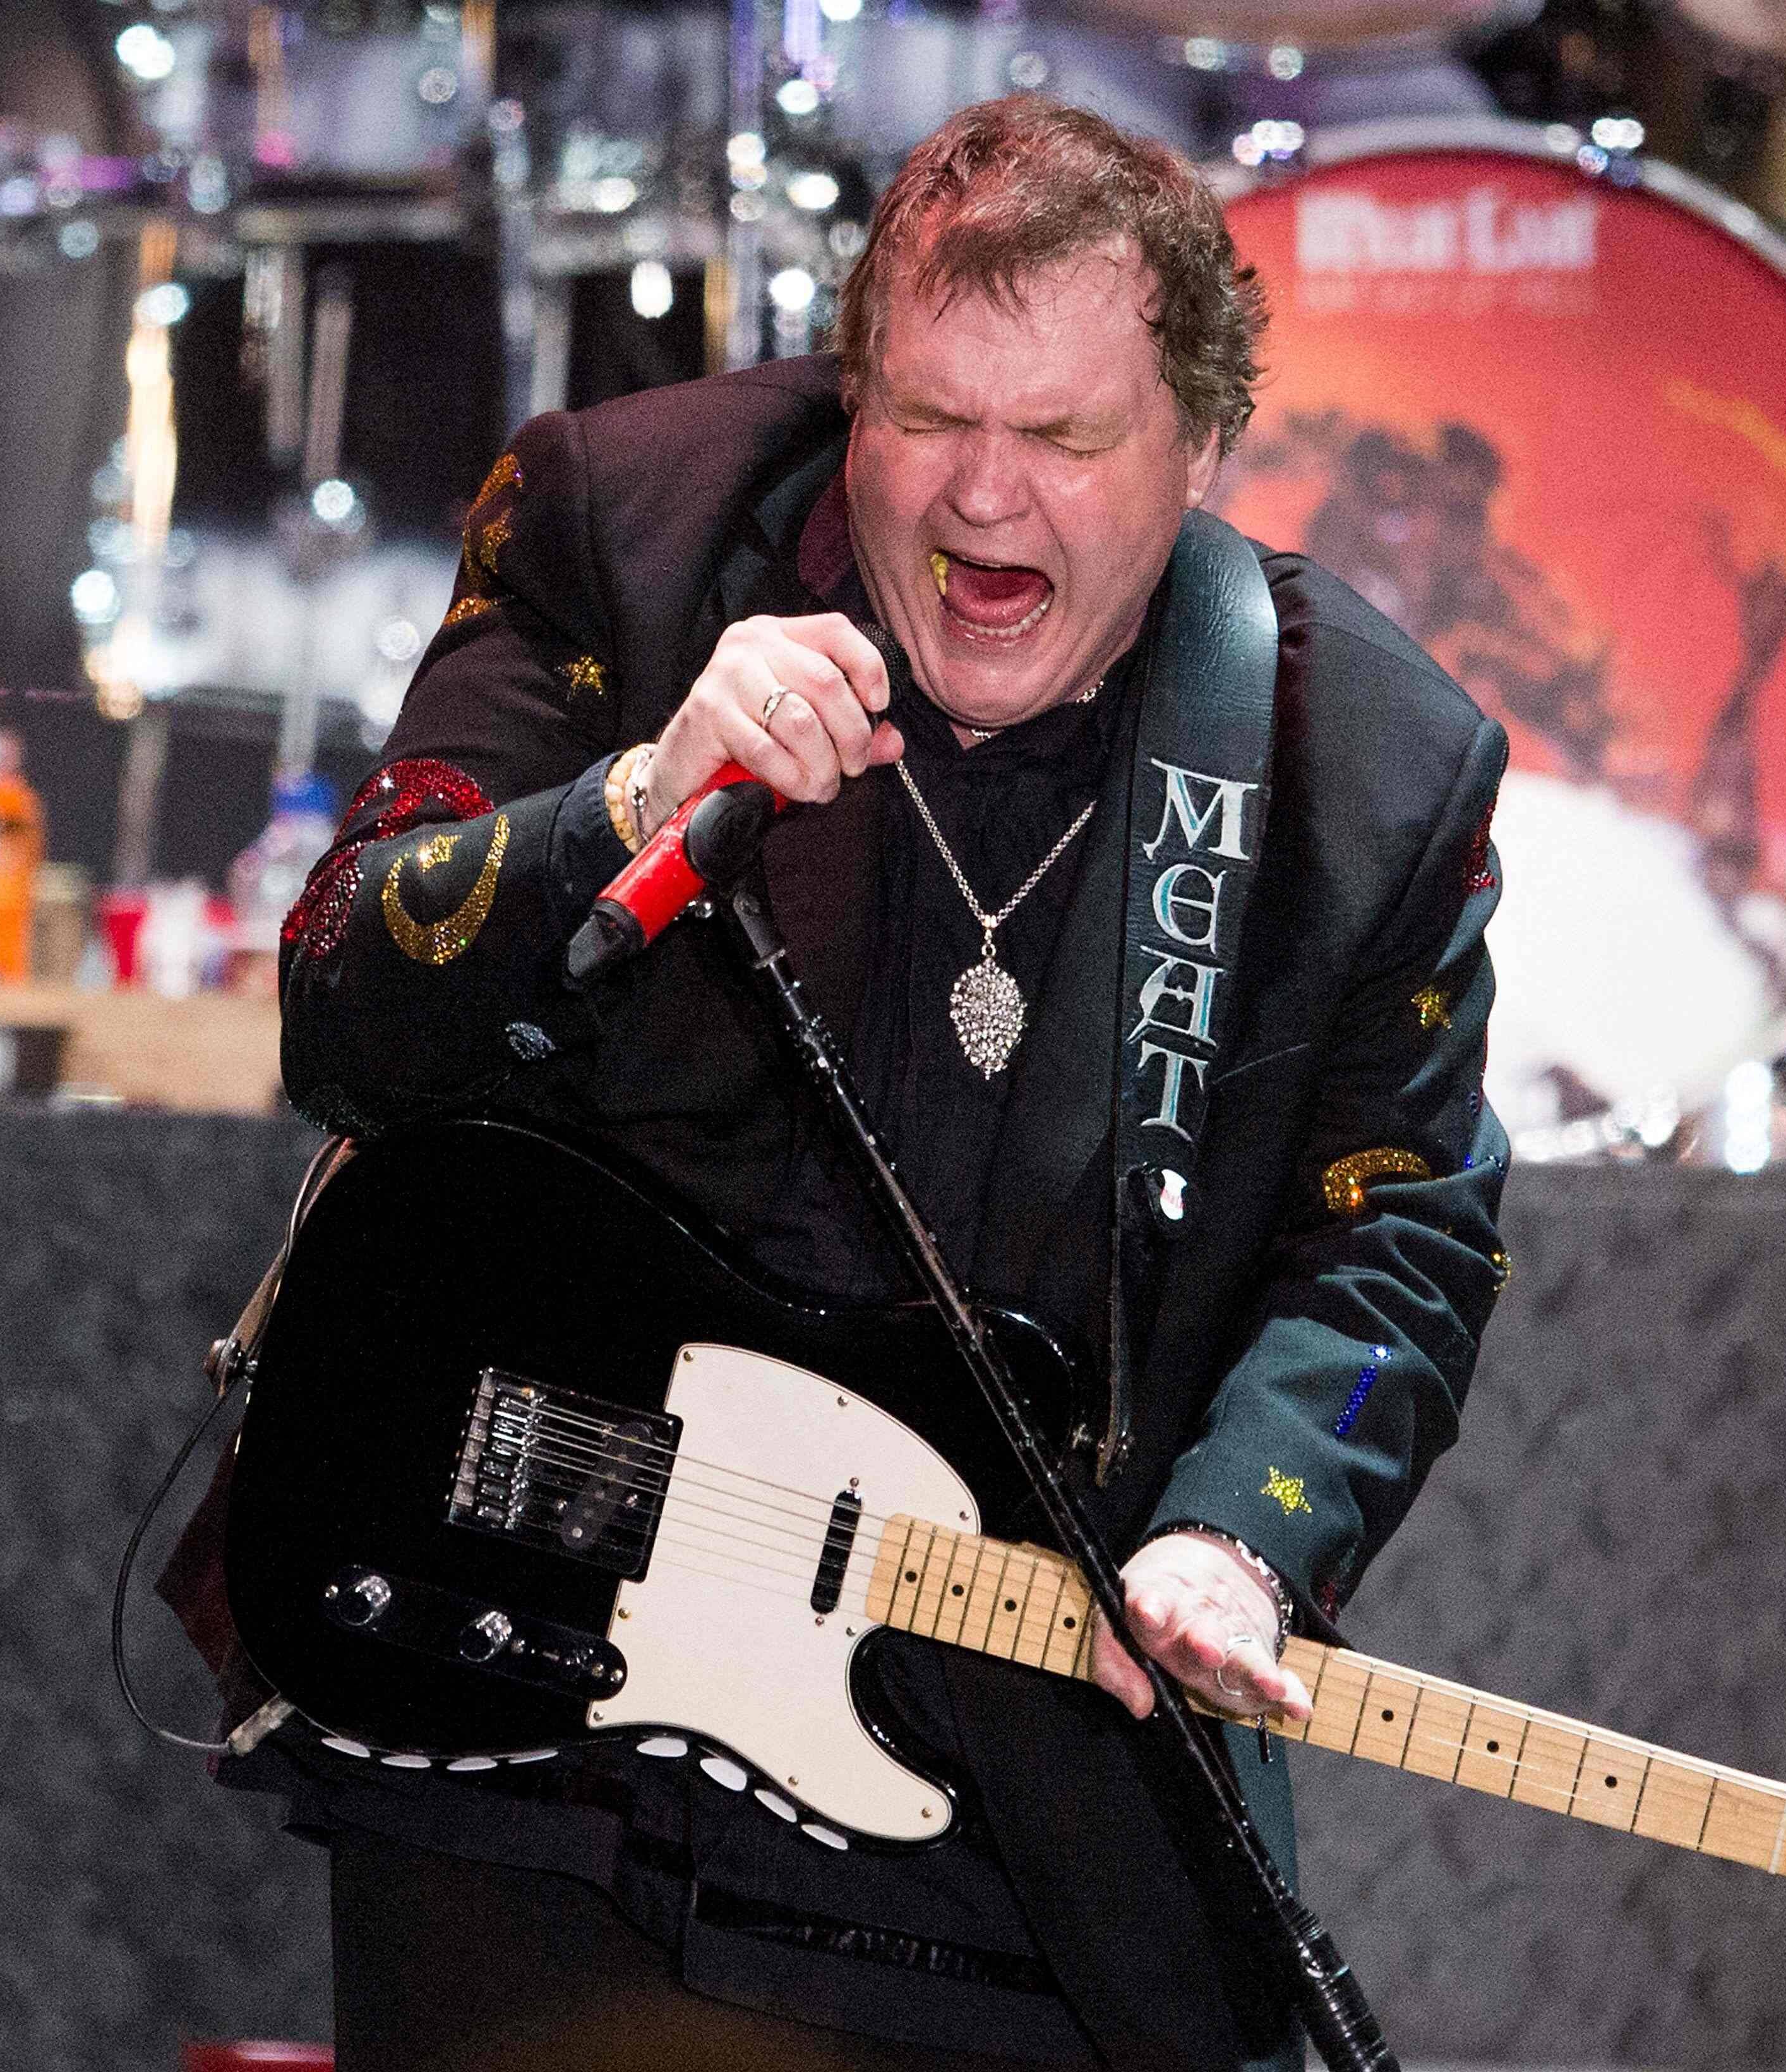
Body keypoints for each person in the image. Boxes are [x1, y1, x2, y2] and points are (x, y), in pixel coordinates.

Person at [216, 95, 1511, 2072]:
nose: (983, 496)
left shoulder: (1368, 769)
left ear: (1203, 445)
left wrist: (1248, 1530)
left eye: (1063, 436)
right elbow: (341, 1000)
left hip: (1013, 1784)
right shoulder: (618, 526)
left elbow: (1399, 1245)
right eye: (926, 417)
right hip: (557, 1729)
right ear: (853, 393)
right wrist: (631, 807)